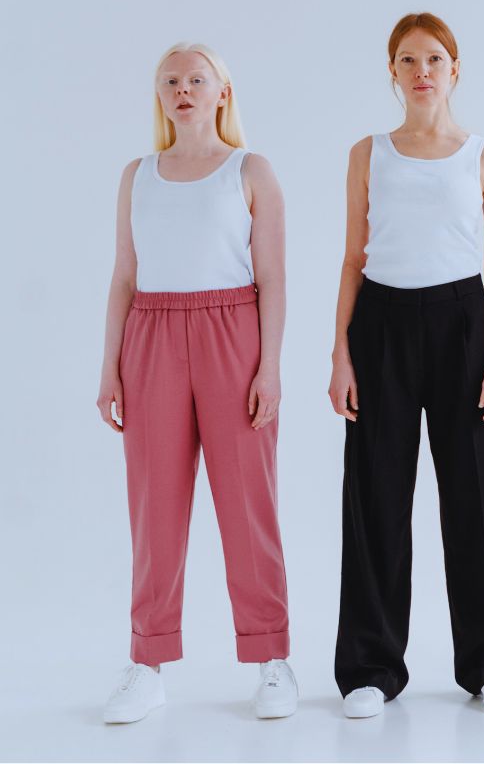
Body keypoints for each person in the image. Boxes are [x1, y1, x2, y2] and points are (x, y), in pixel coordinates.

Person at [329, 12, 484, 718]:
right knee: (376, 495)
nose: (422, 71)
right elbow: (353, 259)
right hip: (381, 322)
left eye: (435, 59)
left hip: (463, 323)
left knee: (479, 496)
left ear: (454, 70)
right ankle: (369, 667)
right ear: (393, 72)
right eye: (409, 60)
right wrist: (340, 352)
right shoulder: (368, 153)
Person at [96, 42, 296, 723]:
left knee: (249, 504)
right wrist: (109, 369)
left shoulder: (250, 171)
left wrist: (269, 365)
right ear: (160, 96)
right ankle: (147, 663)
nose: (184, 88)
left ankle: (272, 658)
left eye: (197, 79)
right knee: (153, 509)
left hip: (231, 332)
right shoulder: (137, 175)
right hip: (150, 336)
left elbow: (272, 278)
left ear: (222, 92)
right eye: (170, 80)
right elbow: (124, 276)